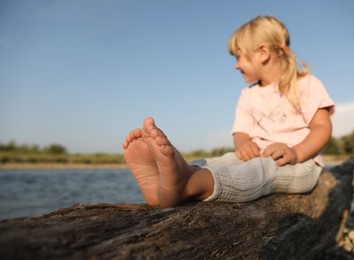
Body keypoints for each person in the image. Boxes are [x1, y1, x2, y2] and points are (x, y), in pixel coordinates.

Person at [122, 16, 335, 208]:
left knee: (264, 171)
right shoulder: (247, 95)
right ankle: (169, 179)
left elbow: (322, 127)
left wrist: (296, 152)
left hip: (299, 164)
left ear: (263, 53)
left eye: (239, 58)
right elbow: (241, 132)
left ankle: (188, 185)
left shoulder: (305, 84)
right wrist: (243, 147)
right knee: (223, 160)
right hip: (256, 155)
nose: (236, 66)